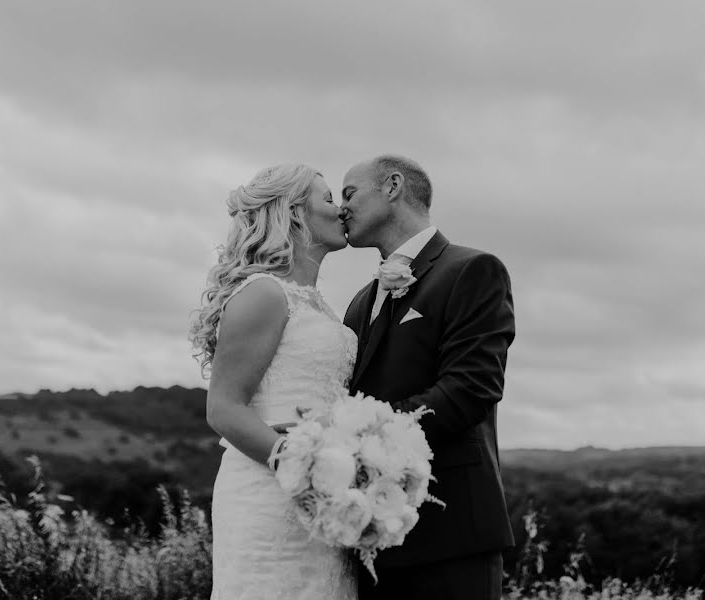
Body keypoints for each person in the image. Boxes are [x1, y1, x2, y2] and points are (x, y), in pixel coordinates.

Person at [341, 155, 516, 600]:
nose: (342, 209)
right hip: (374, 538)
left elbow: (471, 389)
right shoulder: (360, 302)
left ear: (393, 186)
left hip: (452, 532)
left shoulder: (472, 269)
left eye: (349, 194)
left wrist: (357, 438)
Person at [189, 164, 358, 599]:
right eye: (327, 199)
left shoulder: (320, 305)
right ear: (295, 213)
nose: (340, 210)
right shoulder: (264, 293)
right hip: (269, 493)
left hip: (323, 497)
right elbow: (223, 407)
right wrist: (296, 464)